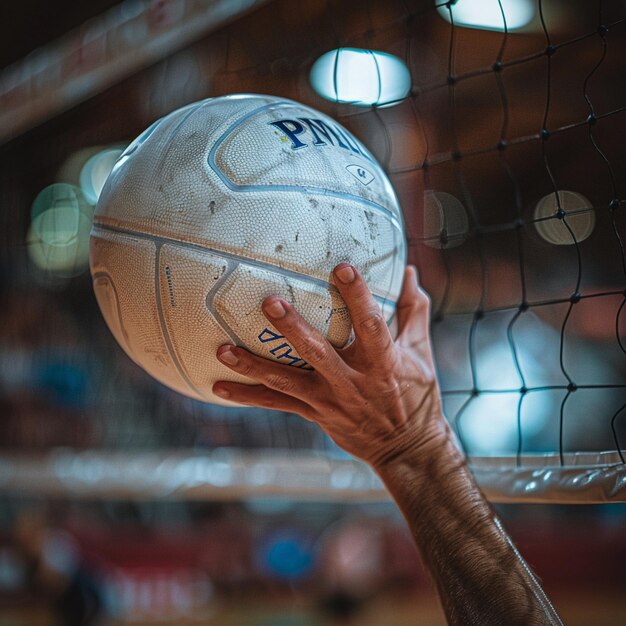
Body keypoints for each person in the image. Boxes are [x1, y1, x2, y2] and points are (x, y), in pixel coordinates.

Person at [212, 263, 563, 626]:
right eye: (359, 567)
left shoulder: (296, 527)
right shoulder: (393, 525)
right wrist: (413, 446)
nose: (351, 558)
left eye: (343, 568)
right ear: (377, 572)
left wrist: (408, 447)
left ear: (324, 572)